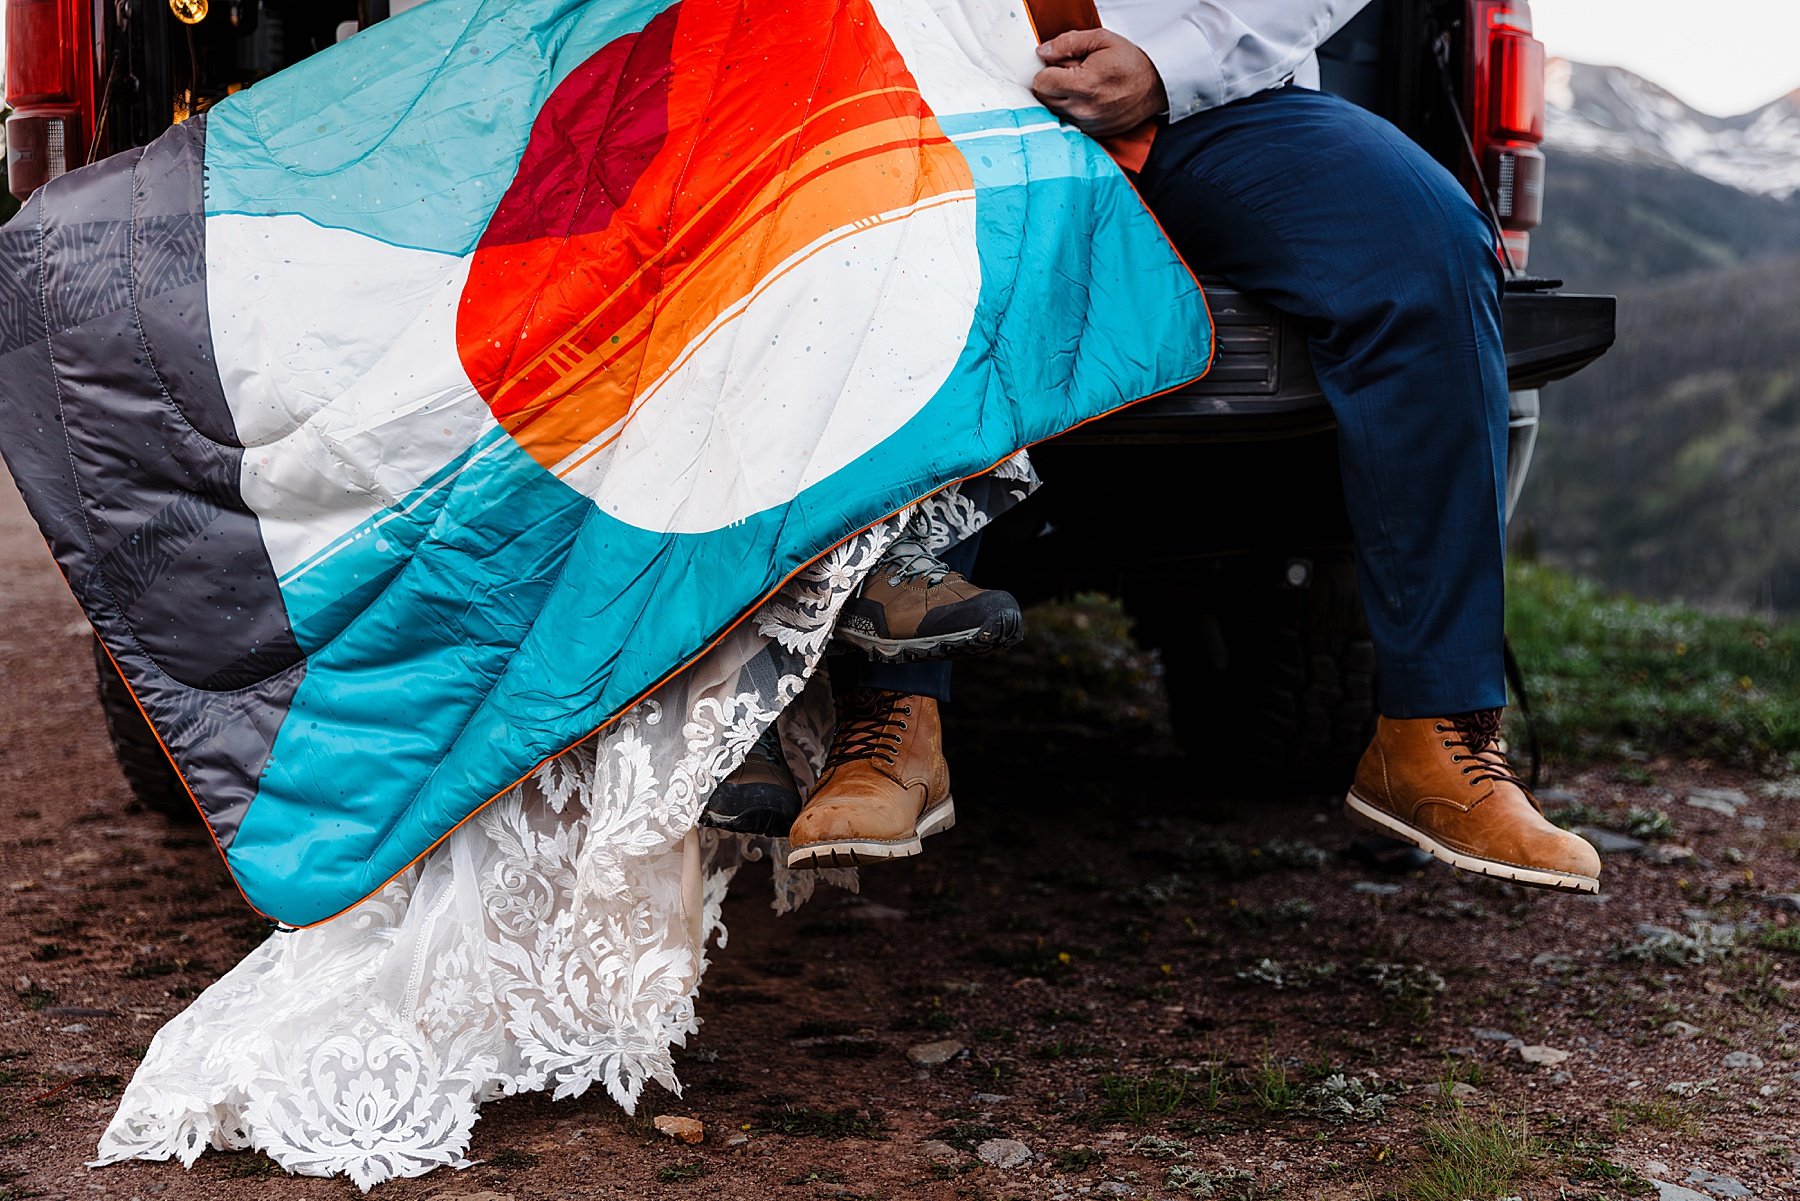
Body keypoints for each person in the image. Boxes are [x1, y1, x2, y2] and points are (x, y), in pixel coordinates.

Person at [742, 0, 1603, 894]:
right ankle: (894, 722)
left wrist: (1168, 61)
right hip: (954, 106)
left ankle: (1433, 737)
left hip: (1213, 104)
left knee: (1425, 244)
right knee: (930, 247)